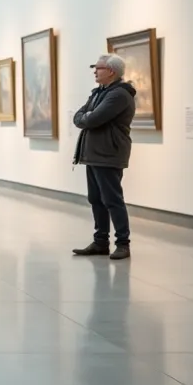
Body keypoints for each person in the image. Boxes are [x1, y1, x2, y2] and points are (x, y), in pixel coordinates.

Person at [71, 53, 137, 261]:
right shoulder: (99, 93)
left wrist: (87, 118)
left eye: (97, 68)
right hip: (94, 154)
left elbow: (94, 118)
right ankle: (100, 241)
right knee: (96, 199)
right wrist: (87, 117)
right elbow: (78, 116)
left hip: (108, 153)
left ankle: (123, 244)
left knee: (112, 199)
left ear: (111, 71)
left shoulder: (118, 95)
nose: (94, 71)